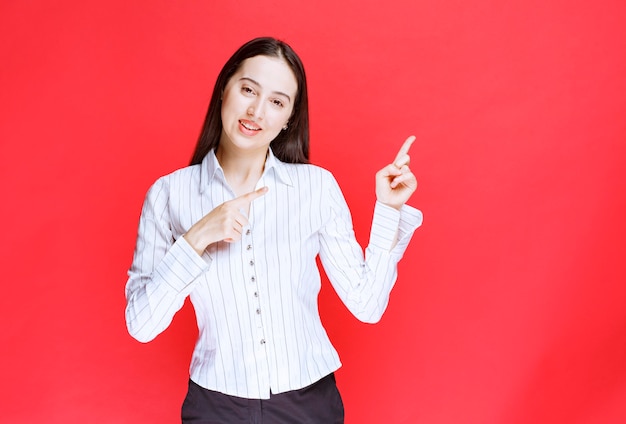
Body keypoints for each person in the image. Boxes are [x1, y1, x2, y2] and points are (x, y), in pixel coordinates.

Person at [125, 36, 423, 423]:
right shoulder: (168, 195)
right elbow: (141, 326)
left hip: (309, 404)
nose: (256, 111)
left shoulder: (316, 187)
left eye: (277, 102)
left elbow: (367, 306)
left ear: (288, 120)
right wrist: (196, 237)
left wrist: (389, 209)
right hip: (215, 407)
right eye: (248, 89)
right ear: (223, 90)